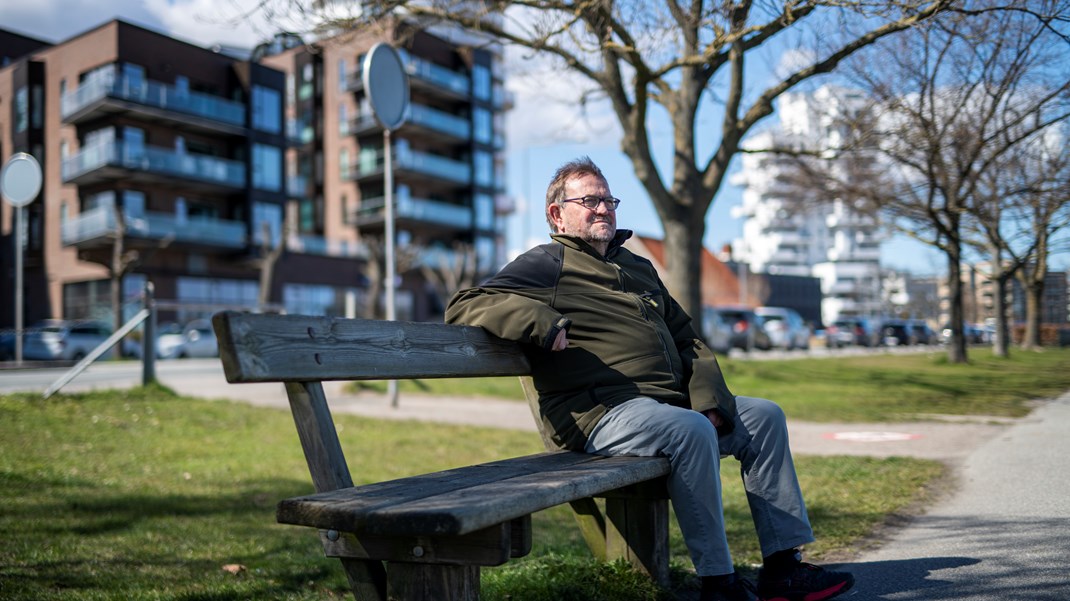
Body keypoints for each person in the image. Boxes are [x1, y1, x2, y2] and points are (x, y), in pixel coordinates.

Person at [444, 157, 854, 601]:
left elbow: (687, 337)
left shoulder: (637, 267)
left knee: (764, 417)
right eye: (589, 200)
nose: (603, 208)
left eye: (608, 200)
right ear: (557, 214)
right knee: (690, 428)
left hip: (666, 408)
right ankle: (719, 584)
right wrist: (541, 321)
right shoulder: (548, 263)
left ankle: (782, 569)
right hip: (601, 412)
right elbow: (466, 303)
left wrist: (708, 400)